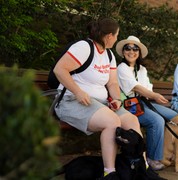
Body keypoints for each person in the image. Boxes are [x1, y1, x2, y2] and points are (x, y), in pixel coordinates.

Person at [53, 18, 142, 179]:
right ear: (109, 36)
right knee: (112, 122)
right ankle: (109, 172)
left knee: (132, 121)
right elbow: (60, 70)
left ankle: (140, 166)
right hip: (71, 101)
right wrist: (78, 92)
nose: (116, 39)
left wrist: (116, 99)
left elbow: (113, 82)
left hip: (100, 104)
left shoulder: (109, 55)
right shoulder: (84, 48)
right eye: (116, 35)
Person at [116, 35, 178, 171]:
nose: (131, 51)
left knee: (176, 117)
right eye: (128, 48)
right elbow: (136, 88)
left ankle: (169, 153)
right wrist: (154, 95)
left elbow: (147, 88)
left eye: (135, 49)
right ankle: (153, 158)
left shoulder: (142, 70)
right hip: (129, 105)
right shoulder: (121, 68)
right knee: (156, 120)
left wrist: (150, 94)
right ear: (123, 51)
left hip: (143, 102)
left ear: (139, 53)